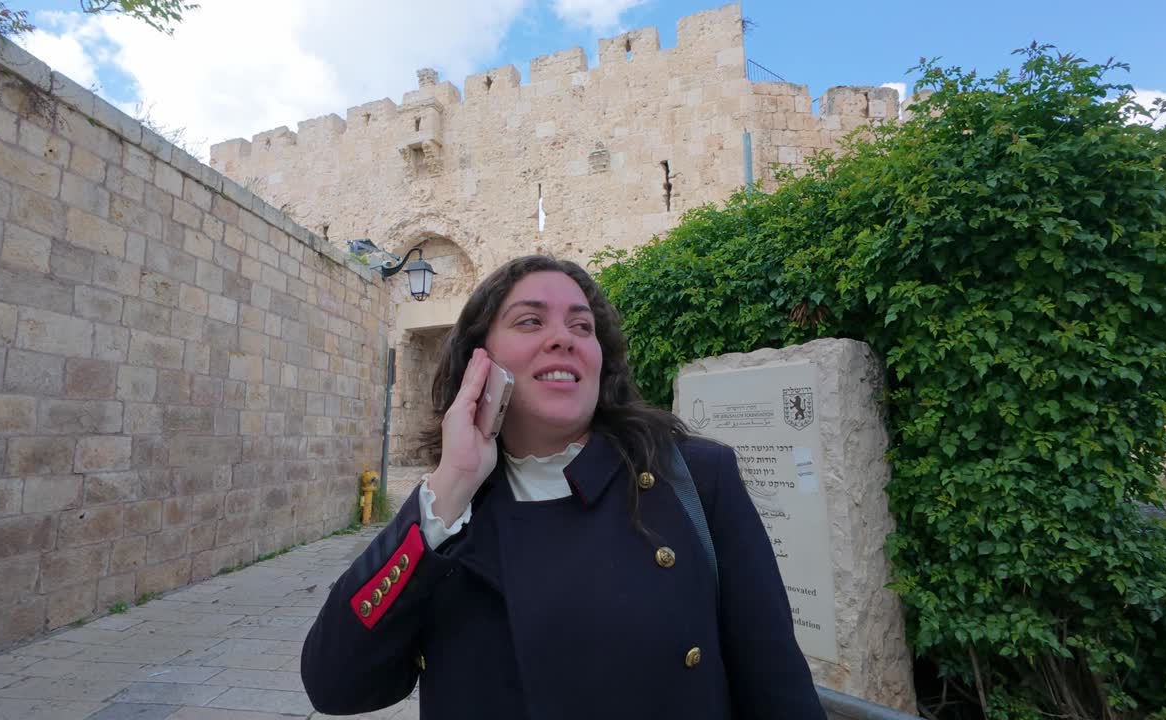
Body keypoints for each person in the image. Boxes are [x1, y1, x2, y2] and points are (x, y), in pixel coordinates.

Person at [301, 255, 825, 719]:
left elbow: (777, 685)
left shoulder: (695, 478)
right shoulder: (452, 518)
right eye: (530, 321)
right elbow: (335, 685)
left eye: (582, 326)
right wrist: (451, 485)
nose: (564, 337)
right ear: (480, 361)